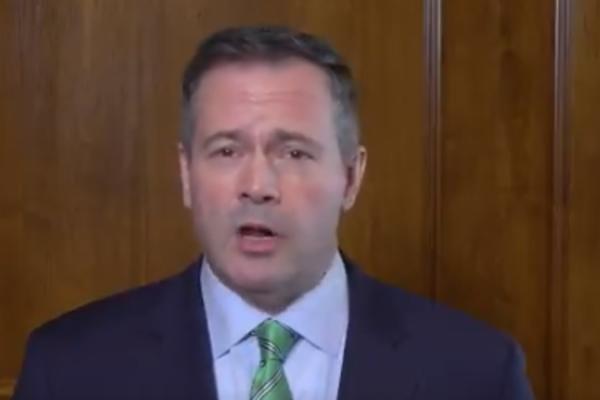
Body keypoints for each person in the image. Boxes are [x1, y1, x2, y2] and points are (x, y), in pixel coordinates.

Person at [13, 26, 534, 400]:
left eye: (294, 152)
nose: (258, 187)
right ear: (186, 174)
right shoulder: (71, 370)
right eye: (226, 151)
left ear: (351, 177)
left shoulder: (477, 373)